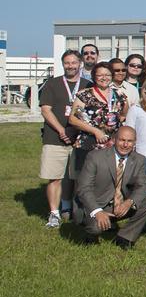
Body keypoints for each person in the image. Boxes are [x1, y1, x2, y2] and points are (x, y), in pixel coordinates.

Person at [74, 126, 146, 249]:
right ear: (114, 140)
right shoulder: (95, 157)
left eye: (129, 141)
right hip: (96, 204)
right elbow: (83, 188)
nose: (125, 144)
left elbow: (142, 186)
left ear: (135, 142)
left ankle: (124, 238)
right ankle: (90, 237)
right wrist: (97, 211)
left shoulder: (139, 160)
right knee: (95, 228)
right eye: (122, 140)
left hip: (121, 204)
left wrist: (129, 202)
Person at [38, 50, 85, 227]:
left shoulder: (87, 84)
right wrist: (61, 130)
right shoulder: (53, 84)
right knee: (55, 177)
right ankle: (54, 213)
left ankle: (76, 210)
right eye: (67, 63)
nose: (71, 66)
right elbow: (45, 109)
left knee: (79, 177)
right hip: (54, 137)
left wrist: (73, 131)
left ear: (79, 63)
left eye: (74, 62)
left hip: (79, 138)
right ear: (62, 64)